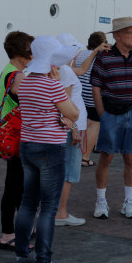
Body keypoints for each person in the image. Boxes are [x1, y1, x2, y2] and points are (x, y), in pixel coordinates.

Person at [12, 35, 79, 263]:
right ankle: (44, 261)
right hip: (50, 146)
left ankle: (21, 254)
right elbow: (73, 112)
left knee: (28, 202)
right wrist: (59, 85)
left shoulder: (25, 82)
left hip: (27, 144)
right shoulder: (52, 85)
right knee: (48, 207)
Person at [90, 17, 132, 220]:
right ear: (117, 35)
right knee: (107, 156)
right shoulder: (105, 57)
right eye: (130, 33)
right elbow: (96, 85)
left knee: (130, 157)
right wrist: (102, 113)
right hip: (111, 112)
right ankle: (101, 201)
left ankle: (128, 202)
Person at [0, 31, 33, 251]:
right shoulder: (17, 75)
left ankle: (22, 226)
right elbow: (27, 102)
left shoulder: (9, 70)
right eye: (31, 50)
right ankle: (8, 234)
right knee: (15, 185)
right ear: (22, 53)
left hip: (11, 133)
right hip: (17, 135)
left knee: (18, 183)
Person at [52, 34, 89, 227]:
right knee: (69, 172)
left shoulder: (58, 69)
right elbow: (65, 103)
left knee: (60, 170)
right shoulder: (65, 71)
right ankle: (61, 212)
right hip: (72, 125)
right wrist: (74, 127)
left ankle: (56, 211)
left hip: (66, 125)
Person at [74, 31, 109, 166]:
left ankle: (80, 151)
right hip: (94, 93)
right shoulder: (102, 54)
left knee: (82, 123)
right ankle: (85, 157)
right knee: (94, 124)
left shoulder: (80, 54)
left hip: (80, 93)